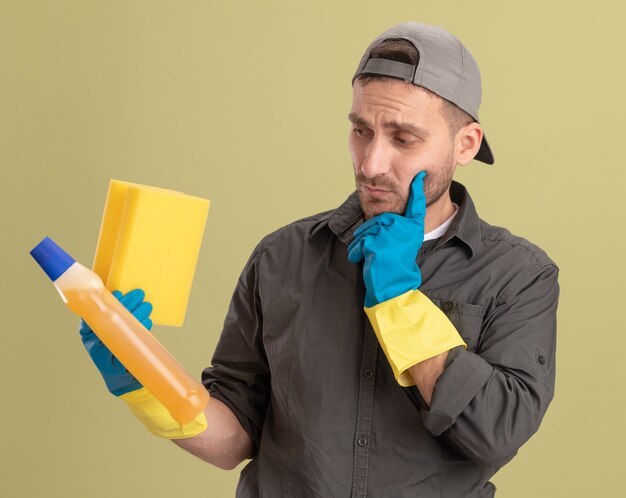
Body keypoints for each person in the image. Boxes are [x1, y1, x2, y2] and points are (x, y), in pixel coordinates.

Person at [79, 22, 559, 497]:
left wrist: (398, 300)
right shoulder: (282, 257)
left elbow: (495, 429)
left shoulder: (518, 276)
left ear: (466, 144)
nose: (370, 163)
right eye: (360, 130)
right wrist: (145, 380)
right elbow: (235, 437)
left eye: (403, 139)